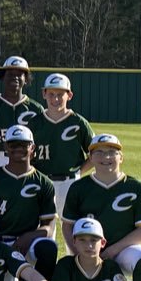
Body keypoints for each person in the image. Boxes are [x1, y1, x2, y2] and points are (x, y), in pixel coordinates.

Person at [61, 134, 141, 281]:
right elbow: (67, 225)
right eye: (99, 152)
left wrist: (111, 251)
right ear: (90, 158)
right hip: (87, 248)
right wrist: (78, 253)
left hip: (122, 249)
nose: (106, 157)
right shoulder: (79, 187)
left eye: (112, 152)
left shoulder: (136, 187)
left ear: (121, 157)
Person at [0, 125, 59, 279]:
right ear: (6, 147)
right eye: (13, 144)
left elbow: (48, 227)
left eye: (24, 144)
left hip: (27, 244)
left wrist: (27, 237)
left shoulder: (44, 183)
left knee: (48, 247)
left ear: (32, 148)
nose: (18, 148)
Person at [30, 73, 95, 222]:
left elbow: (94, 153)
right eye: (51, 94)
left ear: (69, 95)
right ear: (43, 94)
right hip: (42, 182)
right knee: (44, 228)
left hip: (70, 182)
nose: (56, 99)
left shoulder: (78, 122)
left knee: (72, 229)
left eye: (60, 94)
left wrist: (78, 172)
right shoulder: (35, 123)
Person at [0, 56, 44, 144]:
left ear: (26, 79)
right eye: (10, 74)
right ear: (2, 77)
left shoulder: (36, 108)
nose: (15, 77)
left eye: (19, 74)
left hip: (27, 156)